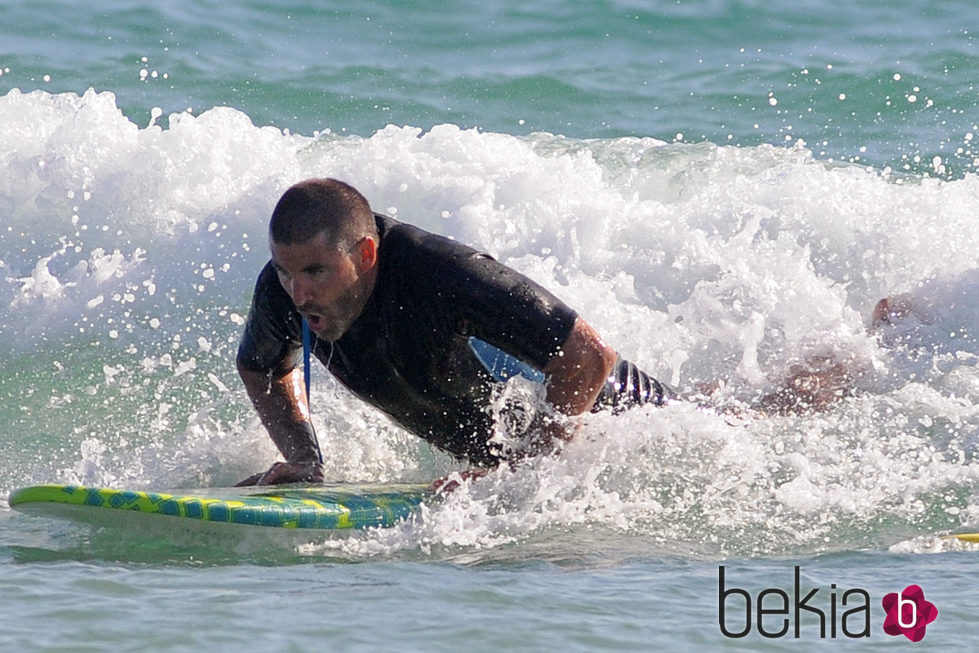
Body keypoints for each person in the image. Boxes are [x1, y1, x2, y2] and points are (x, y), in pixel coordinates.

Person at [235, 178, 674, 486]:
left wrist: (521, 474)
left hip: (633, 426)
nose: (298, 292)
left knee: (726, 421)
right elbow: (261, 367)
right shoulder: (283, 291)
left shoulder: (444, 277)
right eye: (284, 270)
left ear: (365, 254)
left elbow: (588, 356)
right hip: (534, 461)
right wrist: (303, 458)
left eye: (315, 271)